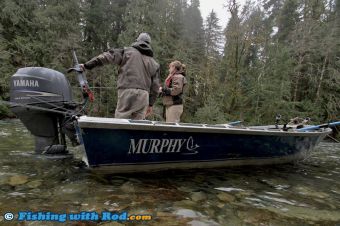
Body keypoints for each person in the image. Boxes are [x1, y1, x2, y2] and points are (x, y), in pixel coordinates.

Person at [80, 32, 160, 120]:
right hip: (144, 95)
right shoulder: (154, 63)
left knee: (121, 123)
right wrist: (151, 104)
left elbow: (107, 57)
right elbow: (155, 88)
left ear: (137, 41)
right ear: (149, 44)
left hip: (127, 91)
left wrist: (87, 65)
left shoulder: (127, 51)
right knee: (138, 126)